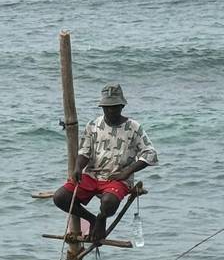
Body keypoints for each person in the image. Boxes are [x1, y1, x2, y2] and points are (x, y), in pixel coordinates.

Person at [52, 83, 158, 245]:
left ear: (122, 106)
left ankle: (101, 218)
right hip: (93, 175)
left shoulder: (133, 127)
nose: (111, 111)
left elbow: (150, 153)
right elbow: (84, 152)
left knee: (109, 202)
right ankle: (92, 219)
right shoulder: (93, 125)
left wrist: (127, 172)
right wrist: (78, 167)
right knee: (60, 197)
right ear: (102, 107)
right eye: (107, 107)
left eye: (114, 107)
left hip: (117, 178)